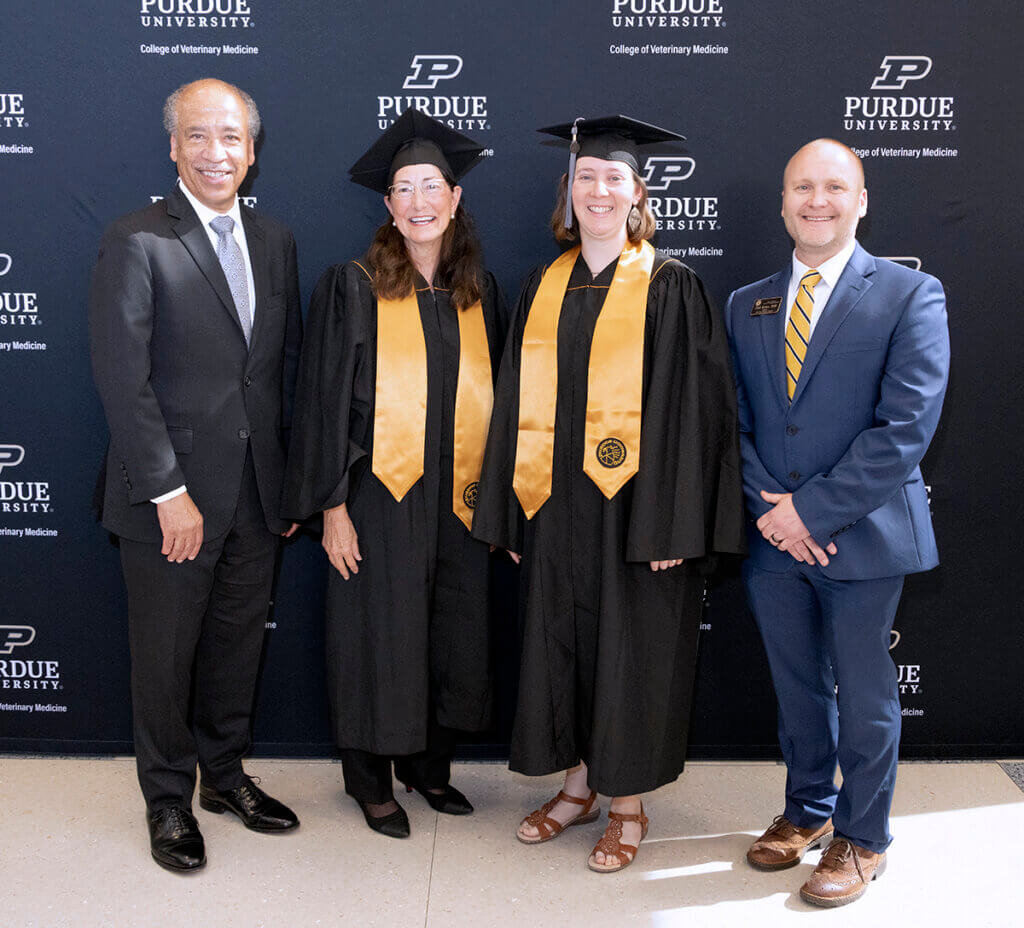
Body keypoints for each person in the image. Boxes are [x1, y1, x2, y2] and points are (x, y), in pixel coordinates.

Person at [473, 115, 746, 872]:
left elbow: (696, 419)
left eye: (613, 178)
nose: (598, 190)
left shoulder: (672, 286)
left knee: (633, 652)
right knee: (562, 646)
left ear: (637, 193)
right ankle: (578, 788)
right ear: (570, 191)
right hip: (557, 511)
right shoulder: (543, 285)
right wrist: (513, 507)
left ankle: (627, 807)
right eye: (586, 177)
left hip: (638, 517)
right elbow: (513, 399)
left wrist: (674, 527)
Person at [724, 139, 949, 907]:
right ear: (783, 202)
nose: (816, 200)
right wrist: (776, 515)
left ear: (862, 199)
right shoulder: (746, 301)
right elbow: (737, 423)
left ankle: (864, 836)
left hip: (864, 534)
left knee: (864, 693)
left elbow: (905, 428)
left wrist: (811, 512)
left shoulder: (909, 294)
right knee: (797, 689)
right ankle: (809, 810)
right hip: (773, 539)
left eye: (833, 187)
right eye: (801, 188)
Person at [89, 78, 302, 872]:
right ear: (173, 147)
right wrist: (168, 492)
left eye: (233, 139)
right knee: (166, 657)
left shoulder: (275, 239)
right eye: (200, 137)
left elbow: (276, 372)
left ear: (252, 150)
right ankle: (169, 801)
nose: (219, 153)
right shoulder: (136, 238)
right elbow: (122, 378)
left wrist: (285, 484)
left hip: (255, 496)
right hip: (168, 501)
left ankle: (225, 777)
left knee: (235, 648)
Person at [282, 110, 506, 839]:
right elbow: (321, 408)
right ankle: (370, 781)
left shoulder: (479, 293)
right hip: (379, 499)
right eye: (403, 188)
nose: (418, 201)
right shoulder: (352, 286)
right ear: (387, 206)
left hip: (461, 503)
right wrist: (333, 508)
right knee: (376, 637)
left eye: (431, 186)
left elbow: (505, 410)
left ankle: (428, 769)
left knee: (451, 635)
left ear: (454, 197)